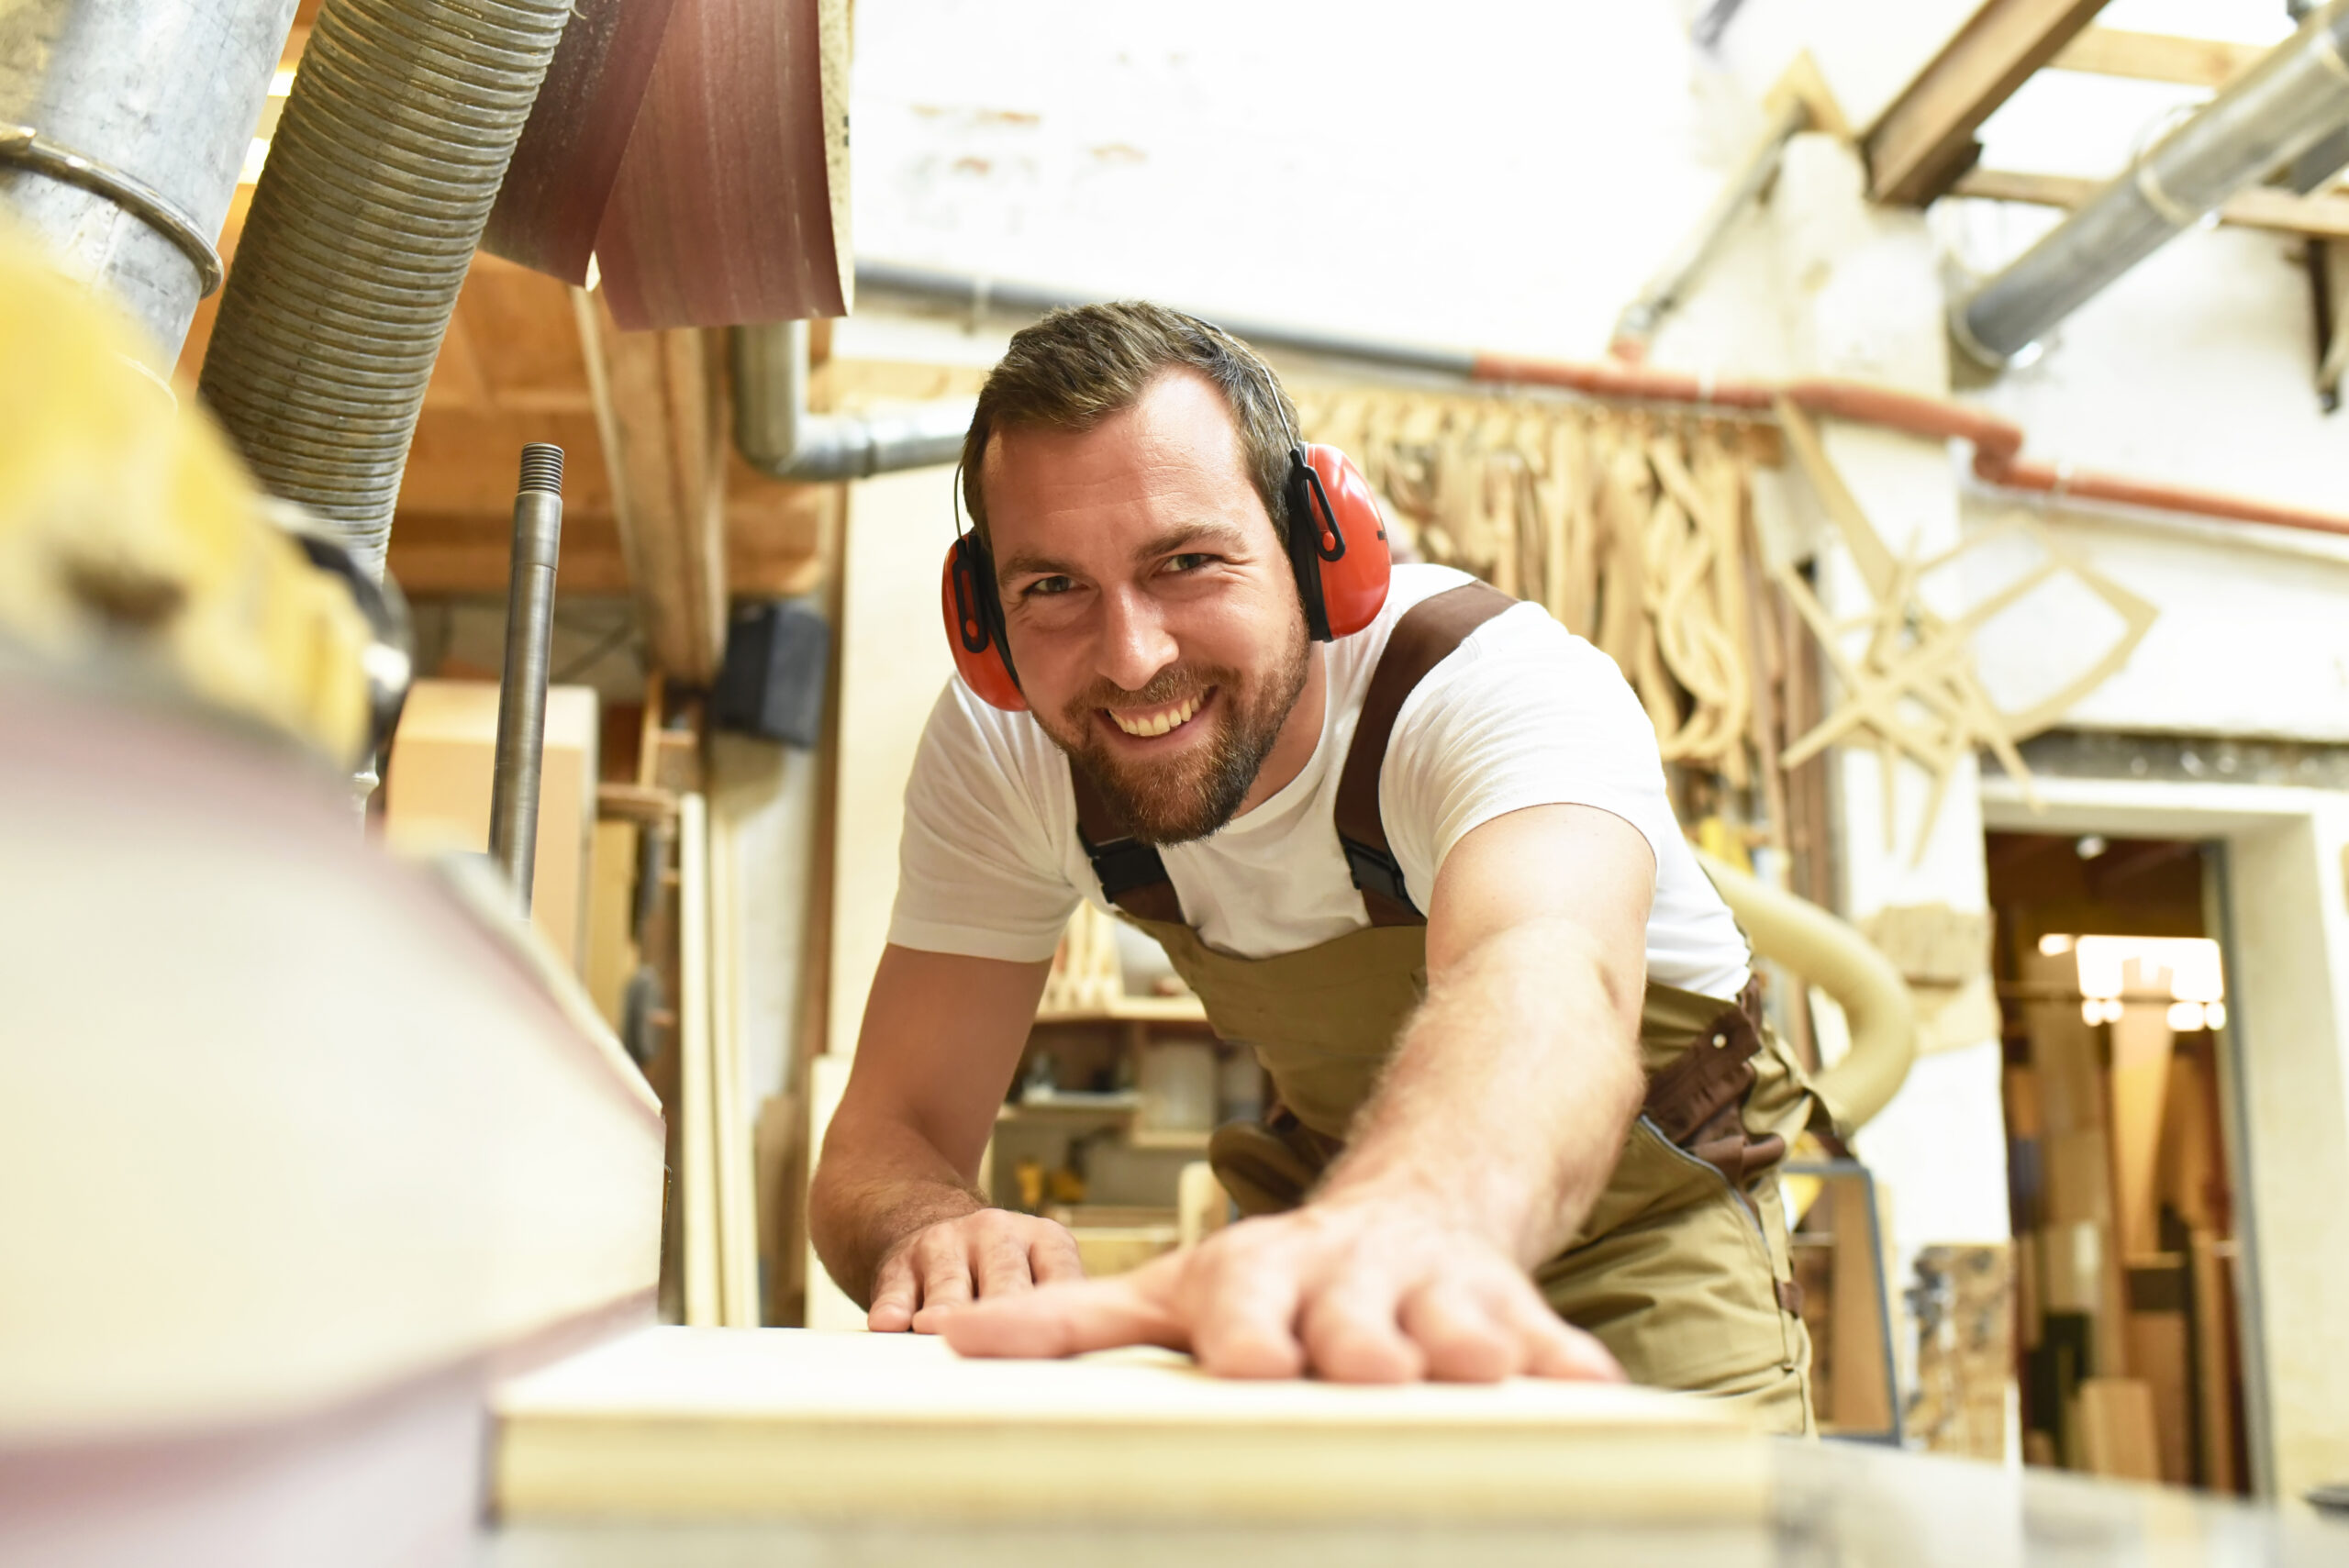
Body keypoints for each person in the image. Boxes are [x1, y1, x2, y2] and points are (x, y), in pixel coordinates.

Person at [807, 302, 1819, 1431]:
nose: (1132, 656)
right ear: (982, 618)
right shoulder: (1006, 752)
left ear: (1318, 546)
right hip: (1337, 1224)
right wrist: (931, 1228)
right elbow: (883, 1130)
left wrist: (1406, 1223)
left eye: (1186, 562)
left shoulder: (1493, 688)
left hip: (1626, 1237)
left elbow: (1549, 982)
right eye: (1052, 588)